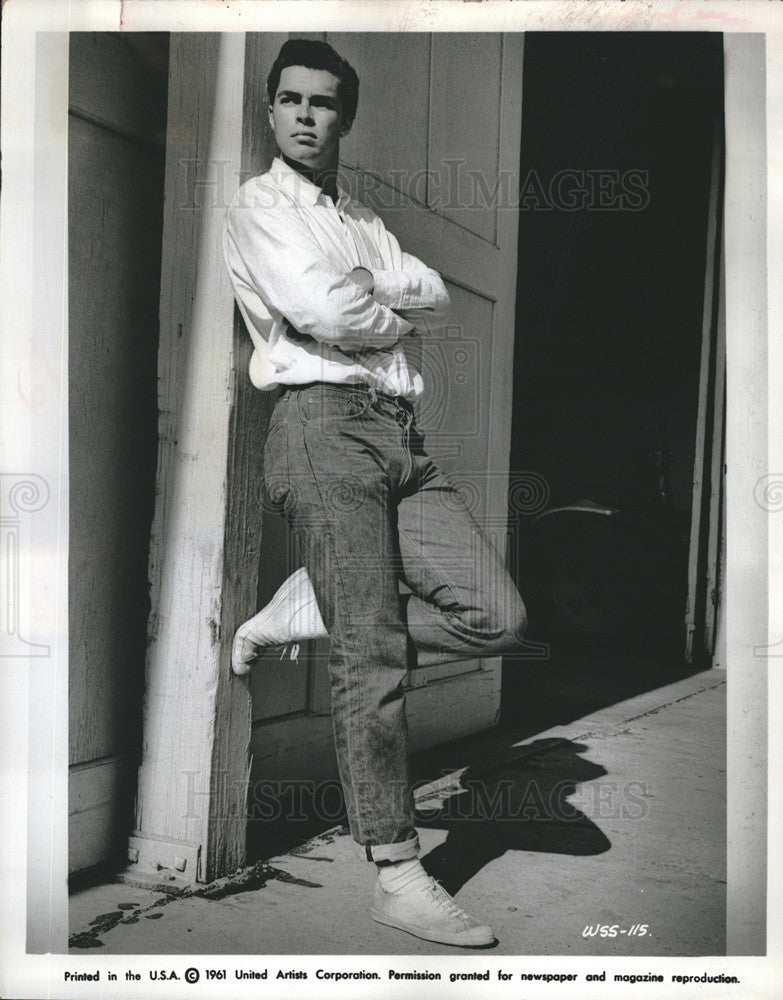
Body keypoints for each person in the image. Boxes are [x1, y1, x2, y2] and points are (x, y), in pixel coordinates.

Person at [223, 39, 526, 948]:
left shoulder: (358, 219)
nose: (306, 116)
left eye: (323, 102)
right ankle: (396, 871)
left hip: (399, 437)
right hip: (320, 430)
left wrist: (374, 288)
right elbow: (327, 315)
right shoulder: (257, 205)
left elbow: (434, 293)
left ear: (344, 116)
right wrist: (378, 303)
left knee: (495, 616)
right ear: (271, 112)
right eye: (290, 101)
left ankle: (313, 606)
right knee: (374, 658)